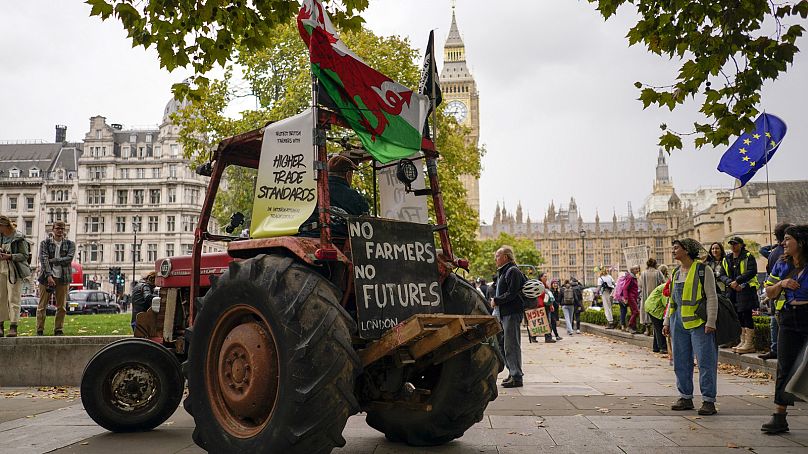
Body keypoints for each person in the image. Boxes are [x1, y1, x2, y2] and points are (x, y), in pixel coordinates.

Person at [663, 238, 719, 416]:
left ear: (686, 250)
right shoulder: (675, 272)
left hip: (698, 322)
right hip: (678, 322)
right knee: (680, 361)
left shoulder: (703, 270)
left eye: (676, 247)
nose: (673, 250)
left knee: (705, 361)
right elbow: (672, 300)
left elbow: (712, 297)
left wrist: (711, 321)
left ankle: (708, 400)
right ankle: (685, 397)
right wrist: (666, 321)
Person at [760, 225, 808, 434]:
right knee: (784, 365)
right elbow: (768, 292)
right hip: (788, 319)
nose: (783, 243)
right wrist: (782, 284)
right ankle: (779, 416)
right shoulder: (782, 265)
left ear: (801, 242)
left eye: (787, 239)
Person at [300, 155, 370, 238]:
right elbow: (367, 223)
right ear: (348, 174)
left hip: (307, 237)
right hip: (339, 242)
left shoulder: (312, 191)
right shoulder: (355, 197)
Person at [492, 246, 527, 388]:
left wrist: (497, 300)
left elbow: (512, 294)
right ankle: (512, 372)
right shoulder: (505, 271)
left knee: (511, 345)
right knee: (502, 344)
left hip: (511, 313)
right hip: (504, 313)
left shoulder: (512, 271)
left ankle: (517, 376)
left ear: (505, 257)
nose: (495, 259)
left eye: (497, 256)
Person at [759, 223, 795, 360]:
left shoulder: (773, 253)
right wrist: (781, 284)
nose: (785, 244)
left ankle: (775, 348)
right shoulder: (781, 258)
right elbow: (770, 288)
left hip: (782, 307)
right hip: (785, 307)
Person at [719, 236, 759, 354]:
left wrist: (738, 281)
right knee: (738, 316)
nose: (733, 246)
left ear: (741, 245)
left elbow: (752, 271)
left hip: (745, 290)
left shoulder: (748, 256)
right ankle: (743, 340)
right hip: (732, 291)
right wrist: (730, 283)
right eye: (731, 244)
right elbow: (721, 274)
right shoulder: (727, 259)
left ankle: (749, 343)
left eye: (735, 244)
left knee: (746, 315)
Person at [37, 221, 75, 336]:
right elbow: (43, 259)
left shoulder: (70, 244)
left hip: (63, 278)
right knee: (42, 306)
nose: (60, 231)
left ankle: (58, 329)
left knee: (62, 306)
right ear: (53, 229)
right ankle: (40, 329)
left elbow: (69, 259)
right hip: (46, 278)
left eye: (62, 229)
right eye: (58, 228)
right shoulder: (45, 243)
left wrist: (53, 260)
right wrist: (49, 276)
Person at [0, 216, 31, 338]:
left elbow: (24, 255)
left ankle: (13, 326)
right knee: (1, 298)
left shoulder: (19, 237)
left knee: (14, 298)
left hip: (14, 270)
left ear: (4, 225)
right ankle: (1, 325)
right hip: (1, 268)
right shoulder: (1, 236)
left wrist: (10, 256)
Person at [640, 258, 665, 336]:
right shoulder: (658, 273)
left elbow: (640, 285)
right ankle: (655, 332)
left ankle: (647, 330)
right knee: (655, 312)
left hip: (645, 296)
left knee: (646, 311)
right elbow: (663, 283)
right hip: (655, 296)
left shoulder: (643, 273)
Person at [624, 266, 641, 334]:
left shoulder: (634, 277)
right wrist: (625, 298)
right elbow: (625, 288)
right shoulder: (630, 277)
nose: (637, 270)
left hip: (634, 297)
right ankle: (630, 326)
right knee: (636, 312)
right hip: (631, 297)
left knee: (633, 312)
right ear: (632, 270)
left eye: (638, 269)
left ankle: (633, 328)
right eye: (636, 269)